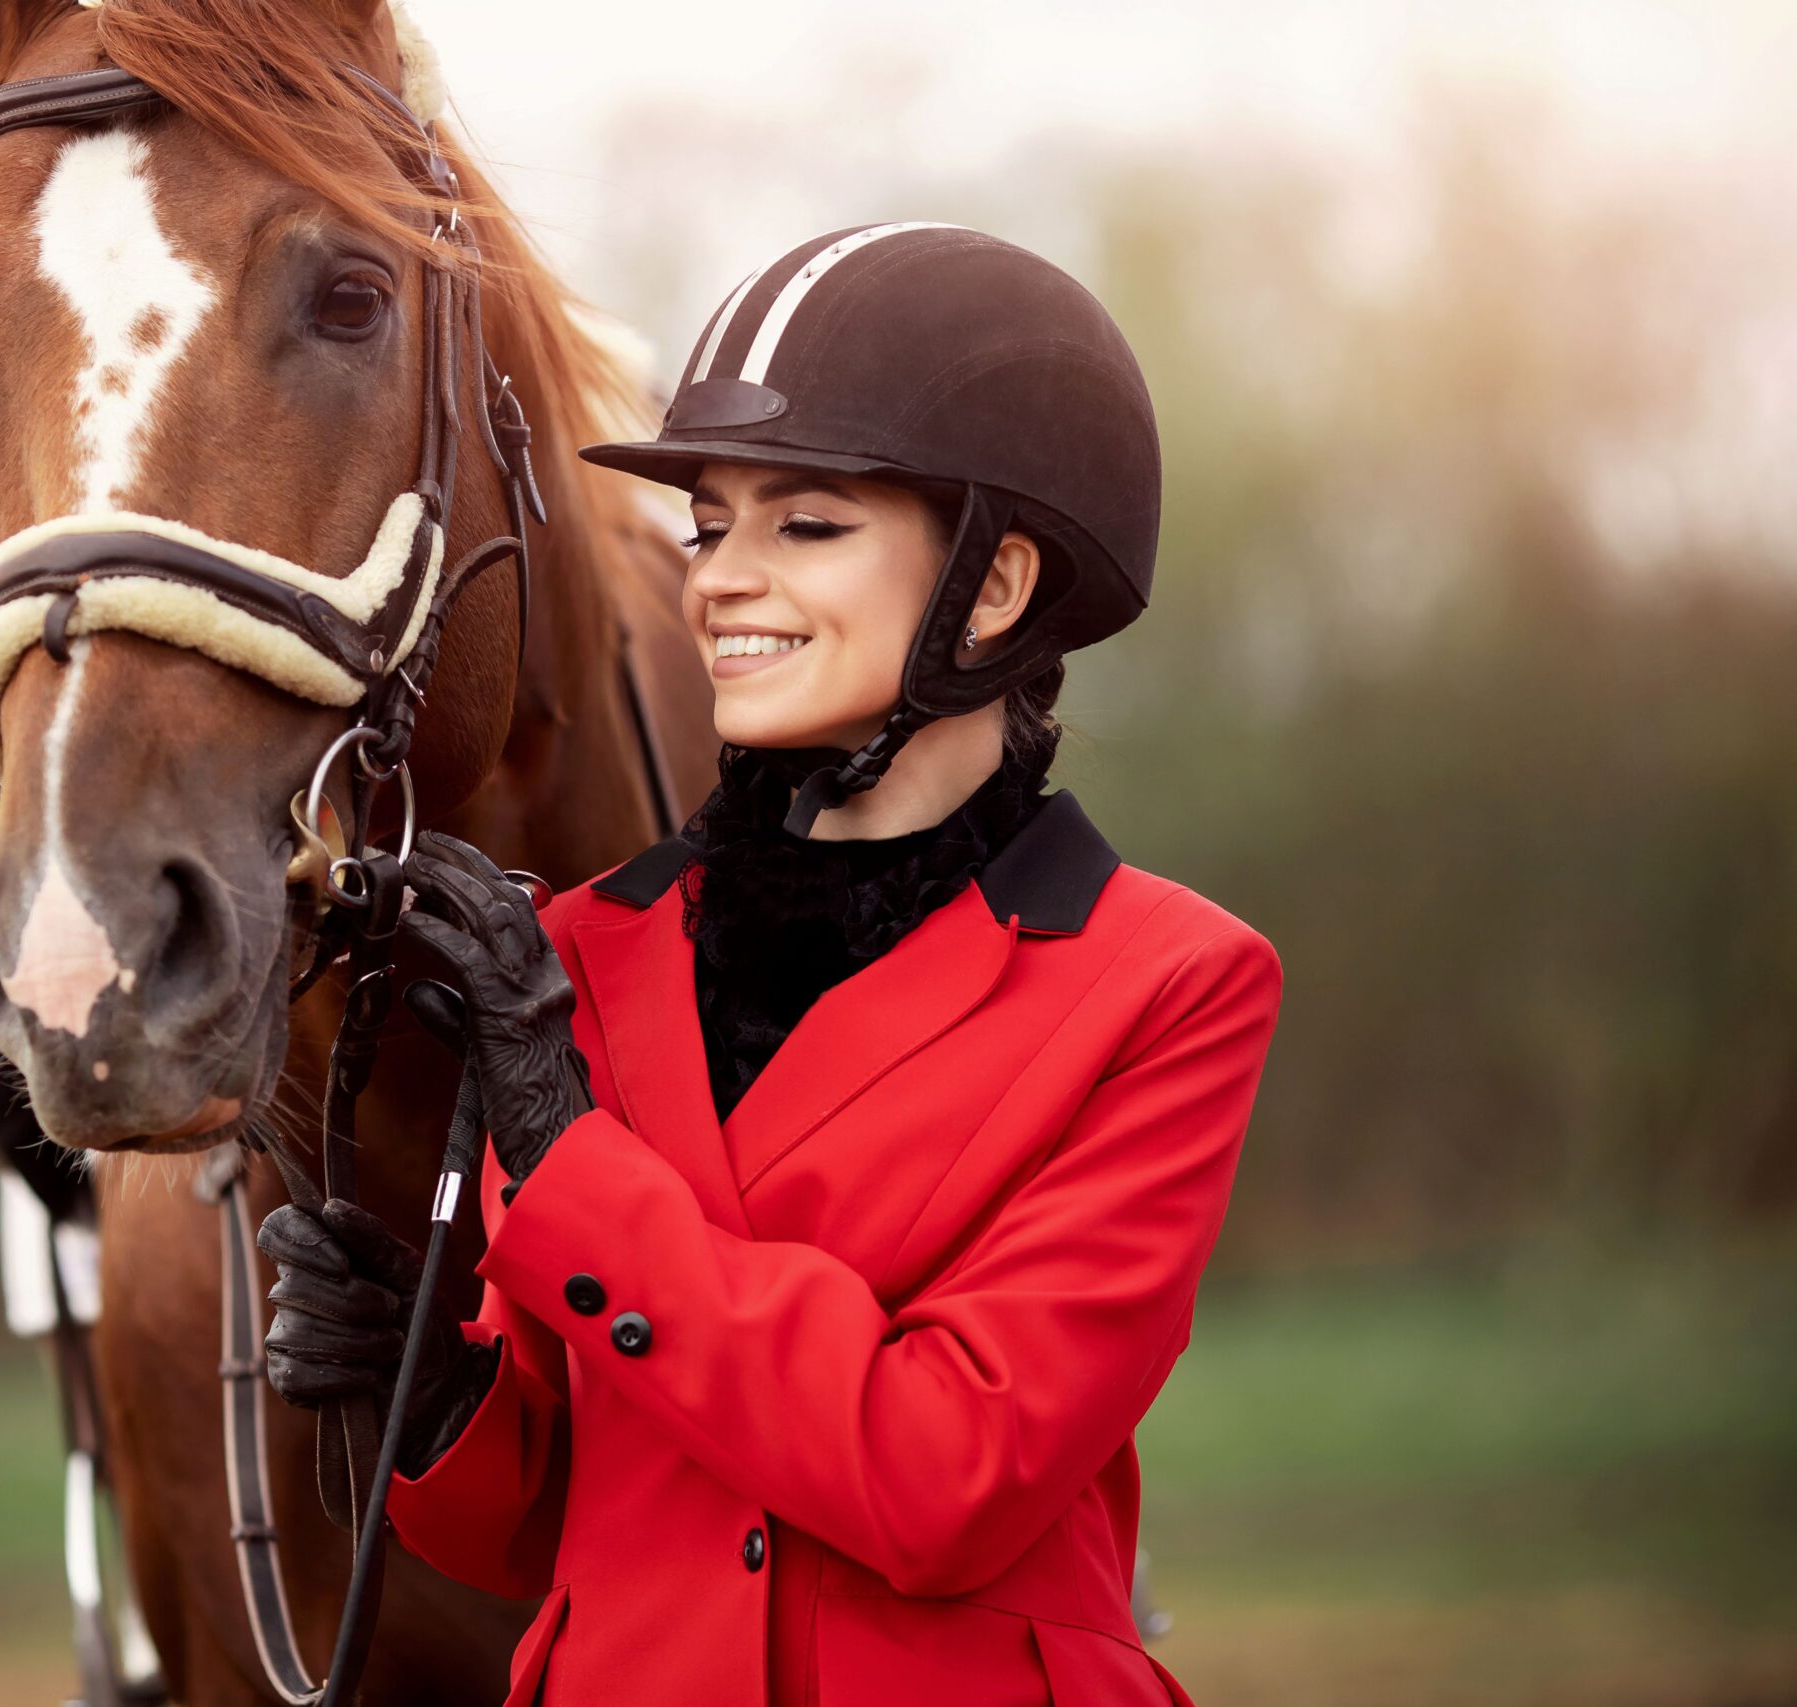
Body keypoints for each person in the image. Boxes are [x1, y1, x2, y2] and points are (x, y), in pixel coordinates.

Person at [257, 223, 1283, 1707]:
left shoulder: (1168, 986)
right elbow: (554, 1523)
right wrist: (430, 1394)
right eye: (709, 527)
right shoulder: (581, 955)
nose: (719, 581)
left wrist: (569, 1154)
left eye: (802, 527)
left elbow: (948, 1479)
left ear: (992, 588)